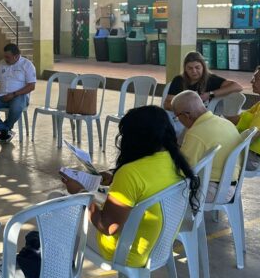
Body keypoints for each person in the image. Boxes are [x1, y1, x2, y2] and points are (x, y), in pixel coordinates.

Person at [61, 106, 198, 267]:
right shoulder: (175, 161)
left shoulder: (130, 173)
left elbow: (107, 227)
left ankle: (57, 276)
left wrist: (80, 192)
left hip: (125, 253)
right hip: (158, 247)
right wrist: (114, 178)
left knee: (60, 204)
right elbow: (147, 183)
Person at [172, 90, 241, 201]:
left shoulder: (195, 133)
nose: (179, 121)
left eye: (177, 117)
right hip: (230, 186)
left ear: (186, 115)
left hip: (212, 190)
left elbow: (183, 171)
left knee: (163, 192)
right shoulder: (226, 123)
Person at [164, 51, 242, 111]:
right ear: (185, 69)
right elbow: (167, 104)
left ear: (203, 67)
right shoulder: (179, 80)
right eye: (190, 68)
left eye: (197, 67)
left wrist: (210, 94)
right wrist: (185, 108)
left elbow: (237, 87)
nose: (194, 71)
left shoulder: (211, 79)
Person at [234, 65, 260, 170]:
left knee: (218, 155)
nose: (251, 82)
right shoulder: (258, 104)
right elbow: (238, 119)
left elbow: (254, 134)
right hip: (248, 151)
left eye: (256, 79)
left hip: (254, 158)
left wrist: (233, 147)